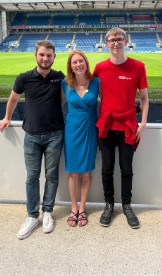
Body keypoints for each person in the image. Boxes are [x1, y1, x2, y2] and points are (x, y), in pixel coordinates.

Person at [0, 40, 65, 239]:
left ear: (54, 57)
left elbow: (63, 100)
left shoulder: (59, 77)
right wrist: (7, 117)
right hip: (32, 135)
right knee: (32, 177)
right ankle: (32, 215)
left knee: (52, 176)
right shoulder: (24, 78)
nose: (45, 58)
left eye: (49, 55)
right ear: (36, 55)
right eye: (42, 55)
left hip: (55, 134)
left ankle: (47, 213)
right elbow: (13, 99)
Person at [93, 27, 149, 229]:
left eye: (119, 39)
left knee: (127, 170)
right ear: (106, 43)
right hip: (107, 126)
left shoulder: (138, 66)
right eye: (112, 39)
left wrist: (142, 123)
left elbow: (144, 98)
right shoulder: (99, 68)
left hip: (128, 126)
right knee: (106, 169)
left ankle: (127, 206)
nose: (115, 43)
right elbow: (93, 94)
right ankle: (109, 205)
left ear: (126, 42)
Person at [61, 50, 99, 227]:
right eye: (74, 62)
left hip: (90, 129)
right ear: (70, 66)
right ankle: (74, 208)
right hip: (72, 130)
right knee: (74, 171)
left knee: (86, 172)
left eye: (80, 61)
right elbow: (56, 105)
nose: (78, 64)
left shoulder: (96, 82)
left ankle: (83, 208)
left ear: (86, 62)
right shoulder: (65, 84)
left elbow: (108, 103)